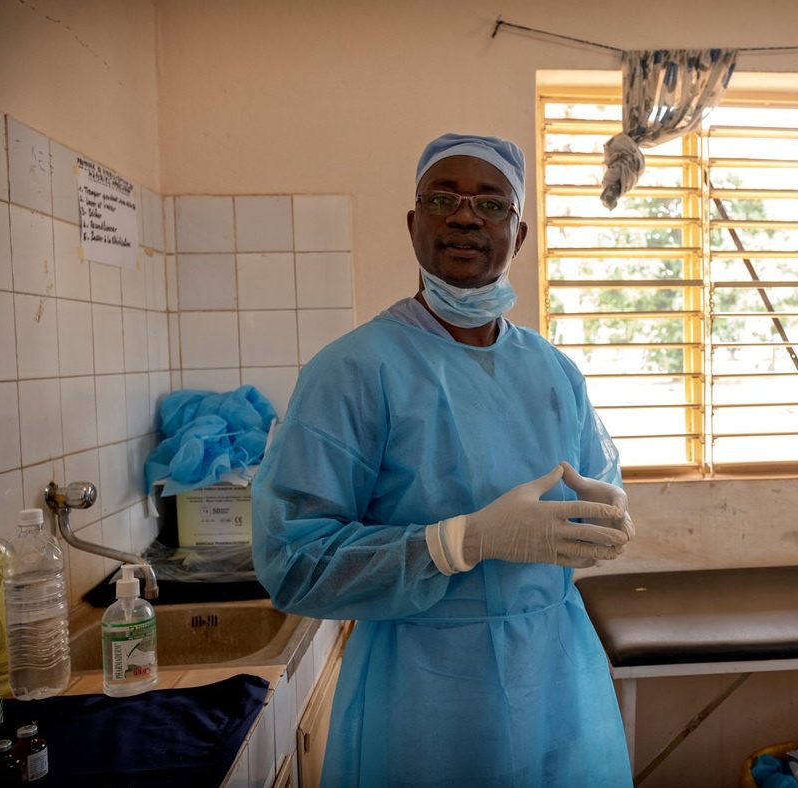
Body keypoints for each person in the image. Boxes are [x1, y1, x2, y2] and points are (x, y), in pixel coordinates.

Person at [251, 132, 636, 787]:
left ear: (518, 236)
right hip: (420, 697)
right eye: (442, 199)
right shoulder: (355, 370)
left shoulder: (553, 374)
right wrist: (457, 543)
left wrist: (605, 522)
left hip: (554, 681)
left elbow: (595, 489)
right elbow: (293, 564)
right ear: (412, 225)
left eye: (491, 204)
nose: (464, 215)